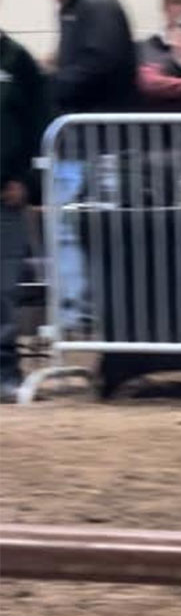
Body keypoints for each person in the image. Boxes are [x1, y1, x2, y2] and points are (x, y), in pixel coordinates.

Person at [36, 0, 139, 337]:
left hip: (93, 141)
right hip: (87, 140)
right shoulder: (87, 5)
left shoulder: (95, 7)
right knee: (75, 228)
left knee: (73, 227)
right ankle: (79, 312)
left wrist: (54, 84)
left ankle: (77, 315)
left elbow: (101, 64)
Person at [1, 24, 48, 401]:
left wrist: (25, 179)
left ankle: (4, 372)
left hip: (5, 195)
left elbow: (40, 126)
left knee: (3, 289)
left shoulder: (17, 60)